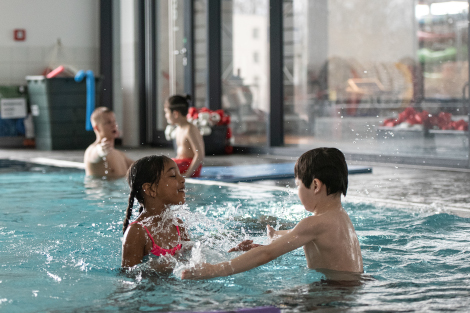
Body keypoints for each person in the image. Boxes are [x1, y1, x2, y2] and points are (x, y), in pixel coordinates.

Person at [181, 147, 363, 280]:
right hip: (349, 289)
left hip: (330, 294)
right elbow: (298, 237)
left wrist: (214, 270)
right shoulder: (341, 218)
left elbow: (267, 254)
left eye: (297, 185)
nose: (296, 191)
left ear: (315, 185)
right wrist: (272, 238)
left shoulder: (313, 224)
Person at [121, 155, 191, 272]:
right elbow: (128, 277)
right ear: (150, 189)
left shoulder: (178, 225)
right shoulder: (137, 232)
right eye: (173, 176)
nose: (182, 179)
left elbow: (191, 261)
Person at [84, 107, 133, 179]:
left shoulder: (120, 154)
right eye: (108, 122)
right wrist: (101, 150)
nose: (114, 125)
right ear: (97, 128)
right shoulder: (91, 151)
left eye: (114, 121)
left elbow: (141, 166)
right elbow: (95, 155)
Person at [164, 95, 205, 177]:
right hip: (181, 164)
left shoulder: (190, 130)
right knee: (160, 165)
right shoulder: (178, 129)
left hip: (190, 166)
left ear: (175, 114)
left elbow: (200, 155)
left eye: (166, 112)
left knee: (162, 170)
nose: (165, 116)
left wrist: (187, 174)